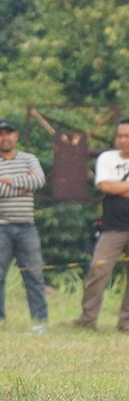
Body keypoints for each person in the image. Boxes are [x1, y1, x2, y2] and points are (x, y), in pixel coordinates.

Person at [0, 119, 49, 332]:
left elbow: (39, 181)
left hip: (27, 226)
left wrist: (10, 180)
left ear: (16, 136)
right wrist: (23, 185)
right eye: (0, 134)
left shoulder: (29, 159)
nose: (5, 137)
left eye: (8, 133)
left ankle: (40, 319)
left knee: (34, 274)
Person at [73, 117, 129, 331]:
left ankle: (126, 322)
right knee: (99, 268)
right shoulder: (107, 158)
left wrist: (119, 187)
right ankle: (87, 319)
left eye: (127, 136)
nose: (123, 140)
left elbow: (113, 186)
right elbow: (105, 185)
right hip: (112, 226)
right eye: (120, 135)